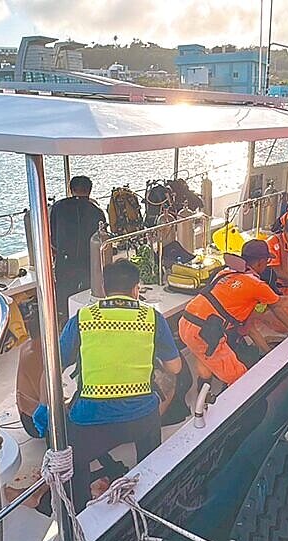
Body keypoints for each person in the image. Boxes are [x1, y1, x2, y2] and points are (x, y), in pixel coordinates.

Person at [59, 259, 183, 509]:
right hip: (140, 421)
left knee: (75, 456)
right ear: (136, 289)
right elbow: (175, 367)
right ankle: (149, 492)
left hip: (89, 423)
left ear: (104, 288)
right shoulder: (152, 318)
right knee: (159, 395)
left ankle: (81, 506)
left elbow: (55, 366)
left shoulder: (82, 318)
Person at [179, 240, 288, 387]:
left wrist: (267, 352)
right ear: (261, 262)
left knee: (205, 365)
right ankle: (227, 407)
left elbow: (249, 328)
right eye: (267, 261)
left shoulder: (225, 272)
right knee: (239, 378)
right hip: (205, 332)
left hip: (186, 321)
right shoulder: (256, 285)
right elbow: (279, 302)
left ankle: (202, 403)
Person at [49, 175, 106, 320]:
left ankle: (63, 322)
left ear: (71, 190)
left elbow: (53, 238)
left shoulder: (58, 207)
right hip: (88, 261)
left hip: (65, 260)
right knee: (87, 297)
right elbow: (103, 241)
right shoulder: (97, 212)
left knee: (63, 296)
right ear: (89, 191)